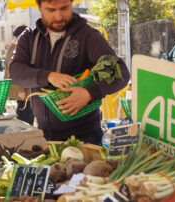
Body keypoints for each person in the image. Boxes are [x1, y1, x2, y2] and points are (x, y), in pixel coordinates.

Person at [9, 0, 130, 144]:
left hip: (86, 137)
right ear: (40, 8)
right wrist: (48, 76)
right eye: (51, 10)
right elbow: (15, 72)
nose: (59, 16)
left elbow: (121, 72)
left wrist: (91, 93)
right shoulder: (29, 37)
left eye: (64, 8)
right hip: (44, 136)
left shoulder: (88, 36)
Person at [4, 25, 34, 125]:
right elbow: (14, 71)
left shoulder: (15, 48)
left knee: (26, 115)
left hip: (23, 89)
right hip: (21, 90)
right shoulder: (15, 49)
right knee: (25, 117)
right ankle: (25, 137)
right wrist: (20, 90)